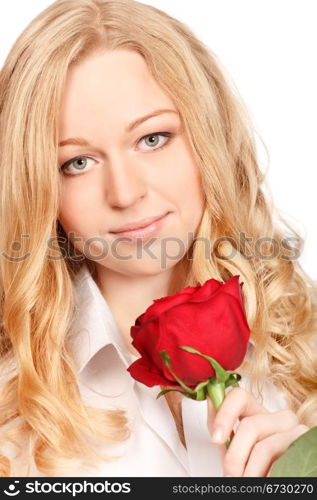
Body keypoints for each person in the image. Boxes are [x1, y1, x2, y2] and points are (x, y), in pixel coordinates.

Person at [0, 0, 316, 478]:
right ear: (39, 189)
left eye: (153, 138)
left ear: (210, 137)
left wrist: (302, 471)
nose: (126, 193)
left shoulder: (304, 348)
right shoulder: (12, 412)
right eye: (76, 163)